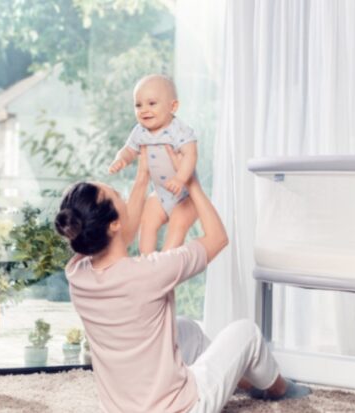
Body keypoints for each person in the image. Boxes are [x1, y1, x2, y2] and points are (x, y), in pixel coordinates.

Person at [56, 147, 307, 413]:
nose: (123, 198)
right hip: (180, 407)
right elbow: (217, 238)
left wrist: (143, 177)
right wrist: (193, 184)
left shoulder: (77, 272)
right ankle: (277, 388)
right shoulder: (149, 272)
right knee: (246, 332)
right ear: (113, 225)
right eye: (118, 196)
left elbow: (118, 239)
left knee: (186, 330)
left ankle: (240, 380)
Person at [107, 74, 199, 254]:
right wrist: (121, 159)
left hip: (185, 197)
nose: (144, 110)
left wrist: (180, 179)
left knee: (177, 225)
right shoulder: (140, 131)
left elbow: (191, 154)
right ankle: (146, 261)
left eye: (151, 103)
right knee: (147, 222)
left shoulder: (178, 130)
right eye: (138, 105)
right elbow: (129, 149)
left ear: (172, 106)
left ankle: (165, 263)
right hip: (160, 194)